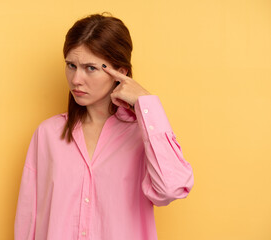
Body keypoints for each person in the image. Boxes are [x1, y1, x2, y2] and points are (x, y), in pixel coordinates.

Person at [14, 13, 194, 240]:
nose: (76, 79)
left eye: (90, 68)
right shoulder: (48, 135)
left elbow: (172, 188)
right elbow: (28, 221)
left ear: (121, 72)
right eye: (71, 65)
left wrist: (145, 102)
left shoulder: (143, 135)